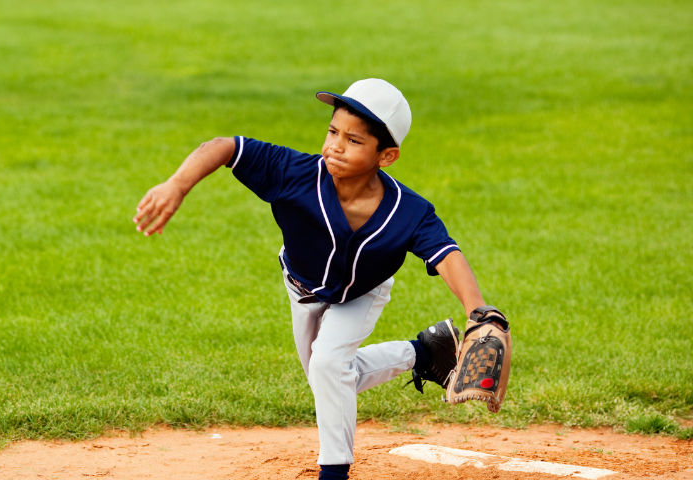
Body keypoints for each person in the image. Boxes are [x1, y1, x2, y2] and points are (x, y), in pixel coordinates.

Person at [132, 78, 503, 480]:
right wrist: (177, 184)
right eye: (332, 132)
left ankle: (334, 472)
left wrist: (477, 310)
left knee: (329, 363)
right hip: (301, 289)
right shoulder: (294, 173)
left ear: (387, 155)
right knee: (329, 377)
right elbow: (225, 147)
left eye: (354, 140)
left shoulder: (407, 211)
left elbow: (446, 253)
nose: (335, 146)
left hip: (362, 294)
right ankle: (426, 353)